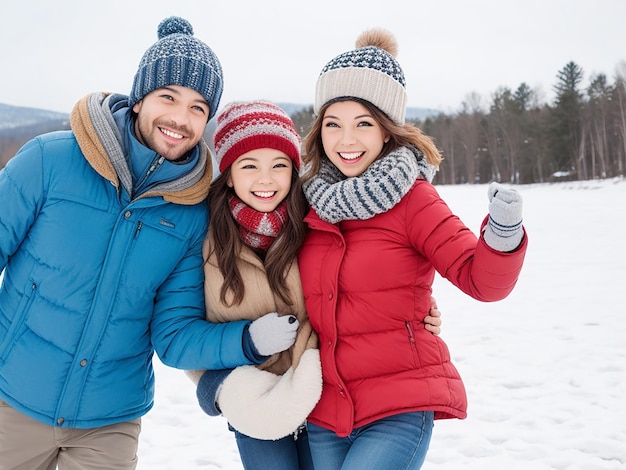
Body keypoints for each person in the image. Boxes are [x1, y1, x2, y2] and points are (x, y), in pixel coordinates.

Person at [0, 17, 299, 470]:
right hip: (12, 399)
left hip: (109, 421)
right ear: (140, 99)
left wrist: (248, 339)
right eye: (168, 97)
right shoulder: (50, 161)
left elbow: (174, 336)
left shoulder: (191, 212)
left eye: (199, 107)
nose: (181, 118)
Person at [297, 28, 528, 469]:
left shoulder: (413, 199)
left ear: (387, 132)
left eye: (363, 124)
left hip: (398, 403)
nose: (347, 140)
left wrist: (502, 233)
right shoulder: (307, 202)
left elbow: (479, 279)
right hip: (327, 410)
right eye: (333, 124)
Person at [187, 100, 444, 470]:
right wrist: (219, 382)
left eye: (279, 165)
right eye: (249, 166)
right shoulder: (202, 237)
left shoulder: (317, 220)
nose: (266, 179)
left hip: (324, 395)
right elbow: (180, 330)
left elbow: (367, 278)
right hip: (255, 401)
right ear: (227, 174)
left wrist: (418, 311)